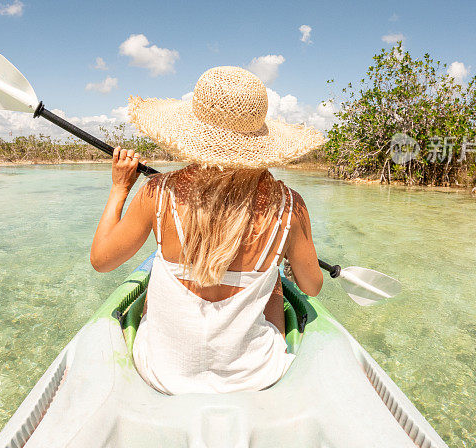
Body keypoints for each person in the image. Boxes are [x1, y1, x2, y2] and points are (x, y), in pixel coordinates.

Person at [90, 66, 325, 394]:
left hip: (161, 371)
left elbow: (101, 260)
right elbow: (312, 286)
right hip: (255, 376)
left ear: (195, 129)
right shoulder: (289, 206)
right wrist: (282, 255)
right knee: (273, 285)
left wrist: (119, 188)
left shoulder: (157, 194)